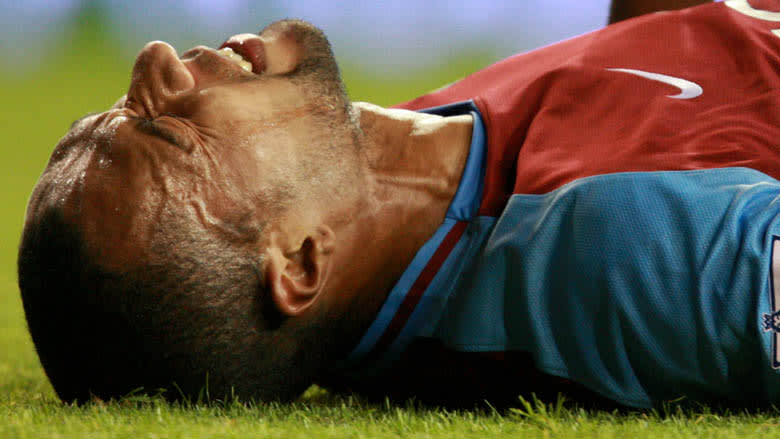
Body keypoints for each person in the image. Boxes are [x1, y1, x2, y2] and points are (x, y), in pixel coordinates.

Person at [18, 0, 780, 409]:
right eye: (169, 132)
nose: (153, 60)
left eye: (117, 108)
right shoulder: (613, 255)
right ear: (301, 260)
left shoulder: (395, 158)